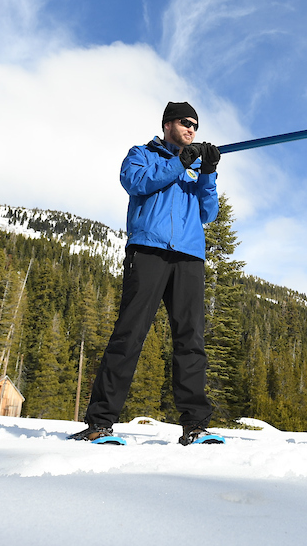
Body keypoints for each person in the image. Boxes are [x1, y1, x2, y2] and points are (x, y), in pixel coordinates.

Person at [72, 102, 224, 446]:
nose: (192, 130)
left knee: (191, 339)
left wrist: (208, 173)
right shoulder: (142, 154)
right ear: (168, 123)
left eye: (196, 126)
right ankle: (100, 423)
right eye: (186, 123)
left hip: (189, 257)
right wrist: (178, 163)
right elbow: (136, 183)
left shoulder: (195, 165)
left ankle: (195, 426)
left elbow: (208, 212)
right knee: (130, 333)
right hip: (149, 250)